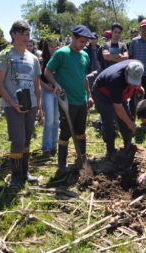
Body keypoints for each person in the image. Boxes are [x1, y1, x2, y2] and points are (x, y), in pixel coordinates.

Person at [0, 20, 42, 188]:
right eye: (21, 33)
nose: (25, 37)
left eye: (27, 34)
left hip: (32, 105)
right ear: (13, 34)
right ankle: (15, 175)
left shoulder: (34, 59)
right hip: (13, 105)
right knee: (18, 140)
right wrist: (13, 104)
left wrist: (40, 108)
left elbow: (37, 85)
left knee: (27, 140)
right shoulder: (5, 55)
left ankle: (25, 172)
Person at [44, 25, 95, 176]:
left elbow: (84, 76)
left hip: (81, 99)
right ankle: (61, 164)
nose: (83, 44)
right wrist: (56, 84)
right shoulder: (62, 53)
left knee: (81, 131)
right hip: (67, 100)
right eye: (81, 41)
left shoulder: (84, 55)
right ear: (73, 38)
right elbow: (47, 71)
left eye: (86, 42)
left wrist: (89, 94)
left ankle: (82, 160)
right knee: (65, 132)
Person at [92, 60, 145, 160]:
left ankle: (128, 144)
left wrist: (138, 86)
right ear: (126, 72)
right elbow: (118, 108)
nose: (131, 83)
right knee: (109, 121)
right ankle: (111, 151)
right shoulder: (115, 79)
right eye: (131, 80)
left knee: (126, 118)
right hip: (102, 93)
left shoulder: (138, 67)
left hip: (118, 91)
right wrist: (130, 123)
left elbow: (136, 77)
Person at [40, 40, 59, 159]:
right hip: (47, 90)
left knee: (57, 119)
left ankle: (54, 144)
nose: (53, 49)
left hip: (57, 90)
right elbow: (37, 77)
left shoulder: (58, 58)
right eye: (51, 46)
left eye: (55, 46)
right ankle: (46, 147)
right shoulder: (42, 60)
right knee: (50, 119)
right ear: (46, 47)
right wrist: (46, 86)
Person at [128, 19, 146, 99]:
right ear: (140, 28)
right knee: (135, 97)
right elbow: (130, 57)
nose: (145, 29)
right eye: (143, 27)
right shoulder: (134, 41)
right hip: (135, 74)